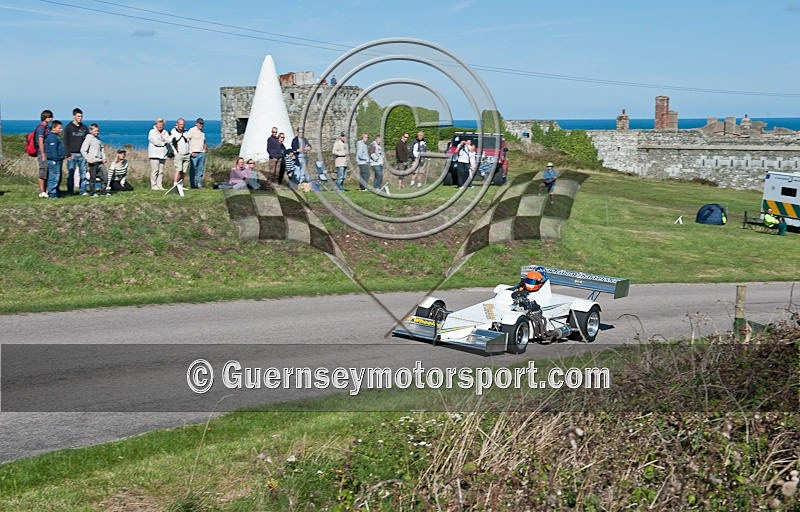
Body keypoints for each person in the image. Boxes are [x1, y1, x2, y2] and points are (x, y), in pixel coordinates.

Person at [63, 107, 89, 195]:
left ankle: (83, 191)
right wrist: (67, 153)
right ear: (74, 116)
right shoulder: (68, 127)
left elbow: (88, 140)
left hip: (82, 154)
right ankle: (70, 191)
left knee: (83, 174)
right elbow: (65, 141)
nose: (80, 118)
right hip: (72, 154)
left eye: (81, 116)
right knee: (71, 173)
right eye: (78, 116)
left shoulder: (84, 127)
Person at [80, 123, 107, 197]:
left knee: (105, 177)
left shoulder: (98, 139)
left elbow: (102, 149)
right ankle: (92, 193)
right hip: (93, 162)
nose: (97, 132)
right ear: (91, 131)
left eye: (98, 131)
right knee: (93, 178)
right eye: (95, 131)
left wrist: (104, 157)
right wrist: (88, 159)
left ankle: (103, 192)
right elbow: (83, 150)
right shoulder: (88, 139)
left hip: (100, 161)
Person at [44, 120, 66, 199]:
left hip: (58, 160)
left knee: (57, 176)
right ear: (53, 128)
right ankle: (52, 193)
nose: (61, 130)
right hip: (54, 160)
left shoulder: (56, 136)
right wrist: (56, 158)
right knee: (54, 177)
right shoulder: (52, 137)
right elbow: (53, 151)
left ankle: (55, 191)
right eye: (59, 128)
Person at [147, 118, 170, 190]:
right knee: (155, 170)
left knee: (161, 171)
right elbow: (155, 141)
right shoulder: (152, 132)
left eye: (162, 124)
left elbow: (168, 140)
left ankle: (159, 185)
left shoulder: (165, 132)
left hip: (163, 154)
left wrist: (164, 141)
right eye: (159, 124)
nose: (160, 125)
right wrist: (163, 142)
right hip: (154, 154)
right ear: (156, 124)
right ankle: (153, 185)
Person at [35, 109, 53, 198]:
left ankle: (46, 190)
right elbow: (40, 141)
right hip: (42, 153)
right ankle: (42, 191)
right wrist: (43, 154)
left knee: (47, 172)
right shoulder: (41, 128)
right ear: (45, 117)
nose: (51, 119)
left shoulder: (47, 128)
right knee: (42, 171)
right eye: (49, 117)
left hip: (48, 153)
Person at [187, 117, 207, 188]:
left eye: (202, 124)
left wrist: (204, 150)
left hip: (201, 153)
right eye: (200, 123)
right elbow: (187, 141)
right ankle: (192, 185)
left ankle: (199, 184)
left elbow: (204, 142)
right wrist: (190, 152)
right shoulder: (191, 130)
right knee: (193, 170)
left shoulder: (202, 132)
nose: (201, 125)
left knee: (200, 170)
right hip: (194, 153)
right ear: (196, 124)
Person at [170, 118, 191, 187]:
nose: (182, 126)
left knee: (184, 171)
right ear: (177, 124)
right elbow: (170, 142)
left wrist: (190, 152)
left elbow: (188, 142)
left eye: (183, 124)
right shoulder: (173, 132)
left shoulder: (186, 132)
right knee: (178, 169)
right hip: (179, 154)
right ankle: (175, 184)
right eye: (181, 124)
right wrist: (175, 152)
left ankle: (180, 185)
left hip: (186, 153)